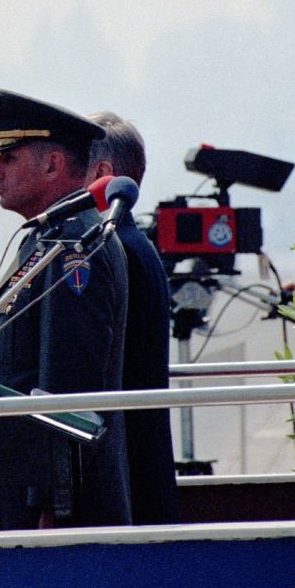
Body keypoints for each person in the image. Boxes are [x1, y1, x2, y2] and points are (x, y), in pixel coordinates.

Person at [0, 89, 131, 531]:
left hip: (41, 507)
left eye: (8, 158)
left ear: (53, 164)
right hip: (16, 486)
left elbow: (69, 383)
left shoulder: (75, 244)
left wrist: (56, 507)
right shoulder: (47, 237)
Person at [86, 111, 179, 526]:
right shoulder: (133, 242)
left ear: (103, 174)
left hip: (128, 470)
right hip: (143, 461)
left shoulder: (113, 250)